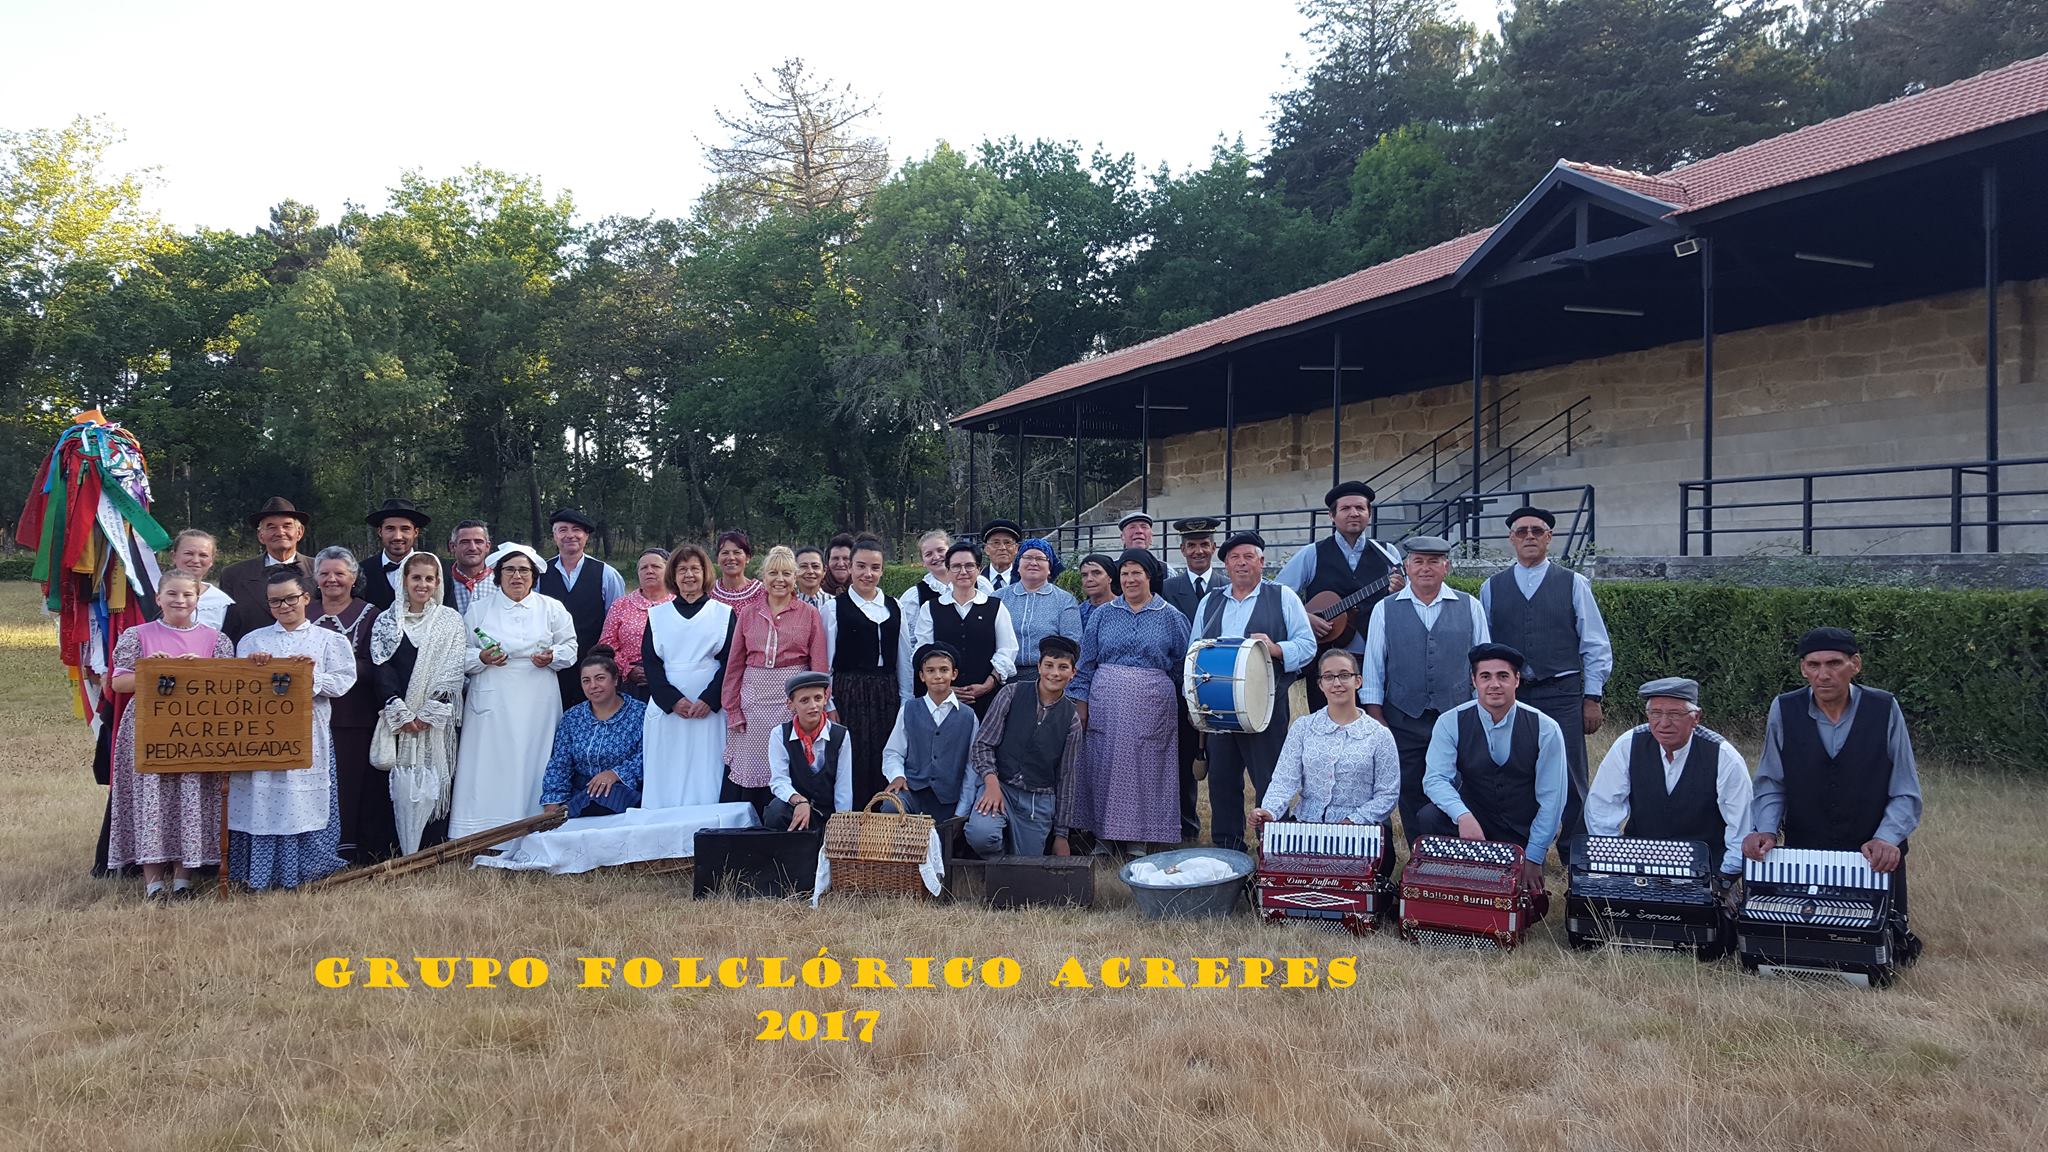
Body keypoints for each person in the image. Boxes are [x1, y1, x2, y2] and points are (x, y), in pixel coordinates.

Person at [1743, 628, 1923, 957]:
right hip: (1806, 851)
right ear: (1802, 668)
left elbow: (1905, 789)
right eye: (1813, 665)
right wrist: (1765, 829)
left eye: (1834, 664)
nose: (1823, 675)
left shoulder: (1884, 708)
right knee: (1805, 946)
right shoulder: (1784, 709)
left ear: (1855, 664)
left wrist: (1887, 838)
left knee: (1883, 948)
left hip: (1873, 856)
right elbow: (1771, 780)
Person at [1480, 505, 1613, 845]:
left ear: (1549, 538)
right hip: (1512, 696)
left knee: (1571, 773)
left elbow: (1595, 644)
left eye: (1536, 531)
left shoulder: (1573, 583)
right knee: (1512, 769)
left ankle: (1575, 851)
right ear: (1511, 538)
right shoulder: (1492, 588)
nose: (1529, 537)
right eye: (1521, 531)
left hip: (1563, 690)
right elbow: (1485, 648)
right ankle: (1516, 844)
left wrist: (1592, 697)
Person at [106, 571, 235, 901]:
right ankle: (153, 883)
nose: (180, 601)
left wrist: (198, 672)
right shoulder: (137, 635)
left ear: (197, 600)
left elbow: (228, 687)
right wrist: (151, 669)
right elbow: (119, 684)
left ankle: (183, 879)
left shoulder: (215, 639)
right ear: (159, 598)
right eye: (173, 595)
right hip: (149, 726)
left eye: (187, 595)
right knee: (153, 798)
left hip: (195, 727)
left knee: (190, 797)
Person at [1359, 535, 1492, 845]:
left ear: (1446, 567)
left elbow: (1482, 664)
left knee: (1459, 784)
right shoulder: (1385, 609)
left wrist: (1479, 713)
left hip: (1457, 715)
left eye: (1434, 561)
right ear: (1407, 567)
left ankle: (1454, 850)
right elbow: (1374, 665)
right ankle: (1420, 853)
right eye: (1418, 561)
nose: (1425, 568)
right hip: (1404, 717)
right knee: (1410, 787)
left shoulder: (1469, 606)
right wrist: (1376, 714)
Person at [229, 567, 356, 890]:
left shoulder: (329, 640)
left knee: (301, 802)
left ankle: (305, 870)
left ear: (306, 598)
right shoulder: (253, 641)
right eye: (275, 602)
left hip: (308, 734)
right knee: (261, 798)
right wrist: (256, 668)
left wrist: (307, 677)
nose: (284, 607)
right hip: (262, 737)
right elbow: (237, 688)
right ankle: (259, 872)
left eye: (290, 599)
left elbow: (343, 681)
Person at [1191, 531, 1318, 851]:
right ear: (1226, 565)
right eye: (1235, 558)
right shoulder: (1211, 600)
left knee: (1271, 781)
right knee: (1221, 783)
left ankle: (1276, 852)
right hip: (1219, 710)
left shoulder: (1283, 596)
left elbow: (1308, 646)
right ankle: (1228, 853)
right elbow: (1194, 650)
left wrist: (1274, 648)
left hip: (1267, 706)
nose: (1242, 563)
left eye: (1249, 556)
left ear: (1262, 562)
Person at [450, 543, 577, 839]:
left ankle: (534, 825)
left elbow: (571, 647)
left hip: (538, 694)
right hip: (493, 694)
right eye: (510, 570)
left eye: (523, 570)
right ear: (498, 575)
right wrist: (481, 658)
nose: (517, 576)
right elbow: (461, 653)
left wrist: (552, 656)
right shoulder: (479, 609)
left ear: (533, 575)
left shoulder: (551, 608)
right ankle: (483, 831)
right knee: (491, 760)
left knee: (536, 757)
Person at [1414, 642, 1568, 885]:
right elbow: (1435, 780)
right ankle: (1443, 880)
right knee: (1429, 816)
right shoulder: (1450, 722)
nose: (1494, 684)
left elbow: (1552, 799)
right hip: (1474, 823)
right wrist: (1462, 816)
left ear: (1517, 680)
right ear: (1474, 681)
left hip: (1521, 829)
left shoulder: (1546, 729)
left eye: (1503, 676)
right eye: (1485, 676)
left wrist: (1534, 857)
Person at [1070, 548, 1190, 854]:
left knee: (1147, 767)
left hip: (1152, 705)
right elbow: (1085, 664)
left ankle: (1139, 837)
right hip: (1105, 703)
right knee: (1103, 765)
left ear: (1149, 576)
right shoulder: (1102, 615)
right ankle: (1103, 837)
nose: (1130, 579)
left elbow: (1182, 665)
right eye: (1124, 573)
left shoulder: (1171, 617)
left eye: (1137, 573)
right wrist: (1081, 704)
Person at [1587, 677, 1751, 879]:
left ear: (1696, 717)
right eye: (1655, 713)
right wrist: (1613, 866)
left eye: (1674, 714)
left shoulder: (1723, 756)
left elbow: (1741, 826)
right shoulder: (1628, 745)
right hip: (1640, 866)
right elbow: (1602, 808)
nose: (1663, 723)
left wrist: (1726, 878)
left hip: (1704, 870)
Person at [370, 552, 467, 855]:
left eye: (429, 578)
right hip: (398, 716)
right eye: (416, 578)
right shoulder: (387, 620)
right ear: (404, 581)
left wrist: (428, 713)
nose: (422, 584)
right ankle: (397, 849)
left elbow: (453, 669)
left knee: (435, 779)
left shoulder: (450, 620)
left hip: (435, 719)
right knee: (398, 782)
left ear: (437, 582)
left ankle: (430, 848)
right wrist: (399, 710)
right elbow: (381, 667)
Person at [1276, 481, 1404, 710]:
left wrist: (1401, 591)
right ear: (1332, 516)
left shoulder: (1388, 553)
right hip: (1326, 659)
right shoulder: (1312, 554)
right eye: (1345, 509)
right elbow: (1278, 596)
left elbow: (1408, 601)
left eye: (1360, 508)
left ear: (1369, 514)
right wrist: (1305, 618)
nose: (1354, 513)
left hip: (1377, 656)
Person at [722, 545, 830, 813]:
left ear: (795, 578)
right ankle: (750, 832)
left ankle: (785, 827)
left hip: (791, 701)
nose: (779, 580)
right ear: (763, 577)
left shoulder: (809, 614)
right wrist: (732, 708)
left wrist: (816, 705)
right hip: (753, 701)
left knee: (787, 764)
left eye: (786, 573)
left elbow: (819, 666)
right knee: (753, 768)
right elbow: (734, 664)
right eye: (773, 573)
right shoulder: (748, 613)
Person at [1252, 649, 1402, 836]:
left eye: (1344, 675)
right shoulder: (1303, 727)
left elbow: (1388, 794)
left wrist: (1354, 821)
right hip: (1307, 825)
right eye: (1329, 677)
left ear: (1358, 681)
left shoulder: (1379, 735)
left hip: (1361, 830)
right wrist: (1270, 810)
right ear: (1320, 684)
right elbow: (1284, 780)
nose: (1337, 683)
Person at [963, 634, 1085, 859]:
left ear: (1073, 673)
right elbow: (982, 745)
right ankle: (998, 865)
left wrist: (1061, 835)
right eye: (1048, 665)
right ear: (1038, 666)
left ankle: (1009, 869)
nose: (1055, 673)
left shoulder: (1072, 719)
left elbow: (1067, 778)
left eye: (1063, 667)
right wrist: (991, 784)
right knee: (981, 835)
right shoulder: (1011, 693)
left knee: (1028, 865)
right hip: (1001, 786)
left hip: (1037, 799)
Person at [310, 545, 392, 864]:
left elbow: (380, 664)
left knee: (352, 780)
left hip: (354, 712)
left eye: (339, 573)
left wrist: (342, 669)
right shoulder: (304, 612)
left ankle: (352, 846)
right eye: (325, 573)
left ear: (353, 577)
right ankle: (315, 846)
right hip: (309, 715)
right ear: (315, 578)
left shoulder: (371, 614)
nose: (332, 579)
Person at [641, 543, 735, 810]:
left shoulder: (723, 613)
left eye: (695, 568)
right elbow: (651, 663)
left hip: (709, 711)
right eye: (682, 569)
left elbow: (731, 663)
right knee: (667, 770)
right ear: (673, 575)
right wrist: (672, 701)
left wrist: (709, 699)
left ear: (705, 573)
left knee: (706, 769)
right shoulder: (657, 615)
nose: (689, 575)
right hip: (668, 710)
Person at [826, 535, 912, 806]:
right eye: (861, 566)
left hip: (885, 693)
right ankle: (849, 824)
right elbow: (825, 661)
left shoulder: (894, 606)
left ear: (882, 570)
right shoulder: (833, 609)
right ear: (850, 568)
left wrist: (906, 700)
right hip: (848, 693)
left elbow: (904, 658)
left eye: (875, 567)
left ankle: (882, 826)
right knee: (852, 759)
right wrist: (829, 702)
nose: (868, 573)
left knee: (883, 757)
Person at [1161, 517, 1223, 843]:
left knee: (1222, 761)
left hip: (1221, 686)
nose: (1198, 551)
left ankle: (1226, 832)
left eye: (1204, 545)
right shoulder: (1169, 588)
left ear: (1214, 548)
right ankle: (1186, 828)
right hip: (1181, 686)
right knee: (1184, 760)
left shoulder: (1227, 585)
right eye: (1192, 545)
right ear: (1182, 550)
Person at [910, 541, 1019, 718]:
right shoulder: (930, 608)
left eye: (969, 565)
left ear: (979, 568)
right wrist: (945, 686)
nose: (963, 572)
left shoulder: (996, 607)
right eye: (956, 566)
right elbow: (923, 651)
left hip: (987, 698)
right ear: (948, 569)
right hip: (942, 698)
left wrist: (989, 683)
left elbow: (1007, 649)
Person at [541, 648, 647, 818]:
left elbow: (647, 756)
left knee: (607, 797)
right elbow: (560, 763)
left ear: (615, 680)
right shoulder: (572, 717)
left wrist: (615, 774)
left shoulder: (640, 713)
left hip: (623, 792)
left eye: (600, 678)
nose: (593, 686)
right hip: (581, 791)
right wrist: (552, 804)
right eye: (586, 681)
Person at [538, 508, 625, 709]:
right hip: (551, 665)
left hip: (594, 667)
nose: (570, 535)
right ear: (554, 536)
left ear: (586, 536)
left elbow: (617, 624)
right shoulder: (540, 574)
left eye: (576, 529)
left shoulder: (606, 574)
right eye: (562, 530)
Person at [881, 643, 980, 818]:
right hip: (912, 792)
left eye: (944, 670)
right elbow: (893, 752)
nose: (938, 676)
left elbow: (971, 767)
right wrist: (897, 776)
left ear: (954, 674)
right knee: (890, 807)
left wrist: (962, 811)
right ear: (922, 676)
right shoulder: (908, 710)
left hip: (948, 799)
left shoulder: (968, 716)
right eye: (931, 671)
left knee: (943, 841)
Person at [763, 671, 853, 832]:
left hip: (827, 813)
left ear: (826, 698)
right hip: (795, 809)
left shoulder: (840, 735)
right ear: (790, 704)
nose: (813, 706)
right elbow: (779, 781)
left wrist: (842, 825)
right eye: (804, 700)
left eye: (818, 698)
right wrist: (799, 801)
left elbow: (843, 787)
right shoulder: (779, 734)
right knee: (775, 811)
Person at [218, 496, 314, 642]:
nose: (280, 532)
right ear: (260, 536)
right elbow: (228, 629)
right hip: (254, 658)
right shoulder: (234, 575)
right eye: (271, 527)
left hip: (309, 658)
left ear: (299, 532)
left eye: (287, 526)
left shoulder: (321, 571)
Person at [996, 537, 1078, 683]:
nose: (1033, 563)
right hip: (1001, 676)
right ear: (1018, 565)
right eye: (1027, 557)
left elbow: (1071, 643)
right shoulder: (998, 598)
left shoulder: (1064, 600)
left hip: (1047, 678)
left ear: (1049, 567)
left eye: (1040, 558)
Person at [596, 547, 674, 699]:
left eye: (656, 566)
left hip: (672, 679)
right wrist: (627, 669)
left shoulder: (679, 604)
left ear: (669, 570)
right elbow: (606, 644)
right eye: (644, 567)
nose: (649, 571)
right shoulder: (621, 605)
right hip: (631, 681)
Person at [898, 529, 989, 620]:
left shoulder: (981, 584)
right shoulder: (915, 597)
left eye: (940, 550)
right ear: (923, 561)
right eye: (928, 554)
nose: (936, 557)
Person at [359, 499, 430, 611]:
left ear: (415, 532)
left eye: (405, 529)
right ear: (380, 532)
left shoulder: (437, 570)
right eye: (390, 529)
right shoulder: (361, 571)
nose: (397, 536)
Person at [169, 529, 235, 632]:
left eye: (203, 555)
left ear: (211, 561)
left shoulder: (222, 603)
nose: (195, 560)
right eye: (189, 553)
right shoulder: (151, 593)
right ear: (174, 556)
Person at [444, 519, 494, 614]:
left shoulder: (501, 584)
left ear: (487, 546)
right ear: (452, 546)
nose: (472, 548)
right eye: (465, 542)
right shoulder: (441, 584)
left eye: (478, 542)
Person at [711, 530, 764, 610]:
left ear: (748, 558)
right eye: (725, 553)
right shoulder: (709, 591)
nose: (731, 558)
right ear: (717, 559)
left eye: (737, 552)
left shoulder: (761, 592)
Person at [1067, 553, 1120, 633]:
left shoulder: (1125, 607)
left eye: (1097, 573)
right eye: (1084, 575)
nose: (1089, 579)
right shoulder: (1078, 613)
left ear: (1109, 578)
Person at [980, 519, 1022, 589]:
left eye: (1007, 543)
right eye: (996, 543)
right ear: (986, 549)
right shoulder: (976, 581)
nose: (1002, 548)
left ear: (1016, 548)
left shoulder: (1025, 580)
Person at [794, 545, 832, 615]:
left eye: (815, 566)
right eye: (803, 566)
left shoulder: (835, 604)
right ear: (794, 571)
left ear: (824, 571)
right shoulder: (787, 603)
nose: (810, 571)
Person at [822, 532, 856, 597]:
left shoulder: (863, 590)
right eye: (835, 558)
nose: (840, 564)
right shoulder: (817, 589)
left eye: (846, 558)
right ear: (827, 561)